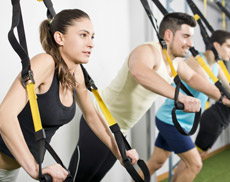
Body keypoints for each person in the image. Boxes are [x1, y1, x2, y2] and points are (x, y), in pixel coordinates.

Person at [68, 13, 230, 182]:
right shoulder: (148, 50)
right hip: (100, 121)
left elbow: (194, 79)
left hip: (120, 130)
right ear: (169, 35)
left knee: (95, 177)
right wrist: (180, 97)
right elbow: (139, 72)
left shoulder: (176, 62)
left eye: (191, 37)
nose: (190, 43)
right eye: (186, 36)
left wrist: (223, 97)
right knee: (78, 178)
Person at [0, 9, 139, 182]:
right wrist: (34, 169)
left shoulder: (76, 73)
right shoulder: (45, 63)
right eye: (83, 35)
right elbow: (5, 114)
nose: (91, 44)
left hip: (9, 172)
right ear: (60, 38)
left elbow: (91, 115)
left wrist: (120, 151)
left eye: (92, 37)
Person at [144, 30, 230, 182]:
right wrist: (226, 96)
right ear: (216, 45)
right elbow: (205, 85)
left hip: (183, 122)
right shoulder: (196, 60)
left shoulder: (216, 65)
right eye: (229, 46)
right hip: (171, 119)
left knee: (156, 163)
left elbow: (228, 85)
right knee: (195, 164)